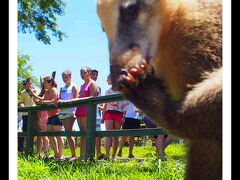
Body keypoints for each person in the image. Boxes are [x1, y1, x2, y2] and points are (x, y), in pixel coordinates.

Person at [32, 76, 64, 160]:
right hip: (49, 116)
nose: (44, 84)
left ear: (50, 83)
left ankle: (61, 154)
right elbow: (42, 99)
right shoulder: (46, 91)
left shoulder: (54, 90)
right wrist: (34, 95)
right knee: (50, 135)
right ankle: (56, 153)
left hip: (57, 115)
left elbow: (53, 101)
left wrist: (42, 102)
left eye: (45, 82)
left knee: (58, 135)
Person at [102, 74, 128, 160]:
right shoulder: (107, 91)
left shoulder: (121, 91)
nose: (106, 81)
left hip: (119, 113)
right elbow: (105, 104)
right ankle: (107, 155)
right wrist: (103, 116)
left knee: (115, 136)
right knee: (108, 134)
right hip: (109, 113)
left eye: (108, 79)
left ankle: (113, 156)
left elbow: (125, 105)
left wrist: (124, 116)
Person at [75, 67, 99, 161]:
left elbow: (92, 97)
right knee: (82, 133)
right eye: (81, 73)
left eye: (84, 72)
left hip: (87, 110)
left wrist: (80, 98)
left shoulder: (92, 83)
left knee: (86, 133)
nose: (82, 74)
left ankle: (88, 156)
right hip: (79, 110)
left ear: (89, 73)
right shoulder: (82, 85)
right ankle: (82, 155)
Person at [58, 70, 78, 161]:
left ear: (70, 76)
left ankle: (74, 155)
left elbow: (75, 99)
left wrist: (64, 102)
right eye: (63, 77)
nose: (64, 79)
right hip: (62, 112)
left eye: (66, 77)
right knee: (66, 132)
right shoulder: (61, 87)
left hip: (71, 112)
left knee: (69, 132)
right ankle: (71, 154)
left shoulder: (74, 86)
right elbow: (59, 98)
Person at [31, 76, 49, 158]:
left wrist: (34, 95)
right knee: (39, 134)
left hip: (44, 114)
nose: (42, 82)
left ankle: (46, 153)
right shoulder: (42, 90)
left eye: (43, 81)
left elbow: (39, 101)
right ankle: (39, 152)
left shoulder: (46, 90)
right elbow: (37, 101)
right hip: (39, 114)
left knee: (44, 134)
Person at [91, 69, 105, 160]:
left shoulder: (99, 87)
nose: (95, 76)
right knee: (88, 134)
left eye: (96, 75)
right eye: (93, 75)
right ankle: (88, 153)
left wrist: (102, 109)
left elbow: (101, 102)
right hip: (88, 114)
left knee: (98, 134)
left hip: (97, 115)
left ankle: (98, 153)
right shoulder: (87, 86)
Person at [20, 78, 38, 151]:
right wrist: (21, 105)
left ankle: (30, 146)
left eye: (29, 83)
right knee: (25, 131)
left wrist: (32, 92)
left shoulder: (36, 91)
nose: (27, 85)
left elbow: (38, 99)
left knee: (35, 131)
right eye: (26, 84)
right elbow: (21, 102)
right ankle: (25, 148)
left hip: (35, 114)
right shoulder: (23, 92)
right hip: (26, 114)